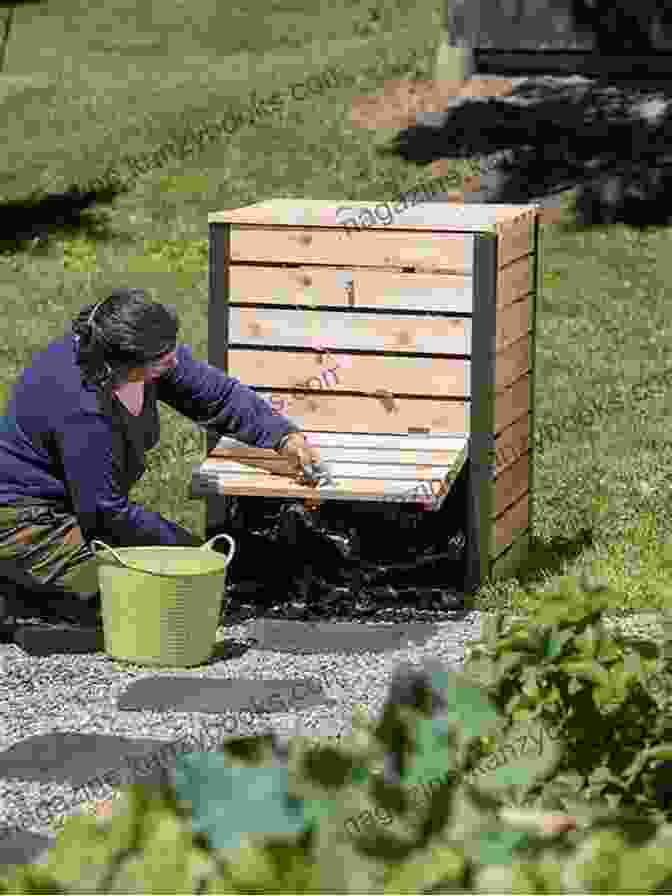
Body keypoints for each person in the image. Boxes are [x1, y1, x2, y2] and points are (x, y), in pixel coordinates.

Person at [0, 287, 321, 626]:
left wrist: (283, 436)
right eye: (162, 360)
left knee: (173, 588)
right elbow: (106, 512)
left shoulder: (132, 350)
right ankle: (18, 596)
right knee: (147, 602)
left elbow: (218, 397)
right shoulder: (83, 407)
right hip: (25, 519)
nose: (174, 362)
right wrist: (195, 552)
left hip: (79, 507)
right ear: (120, 365)